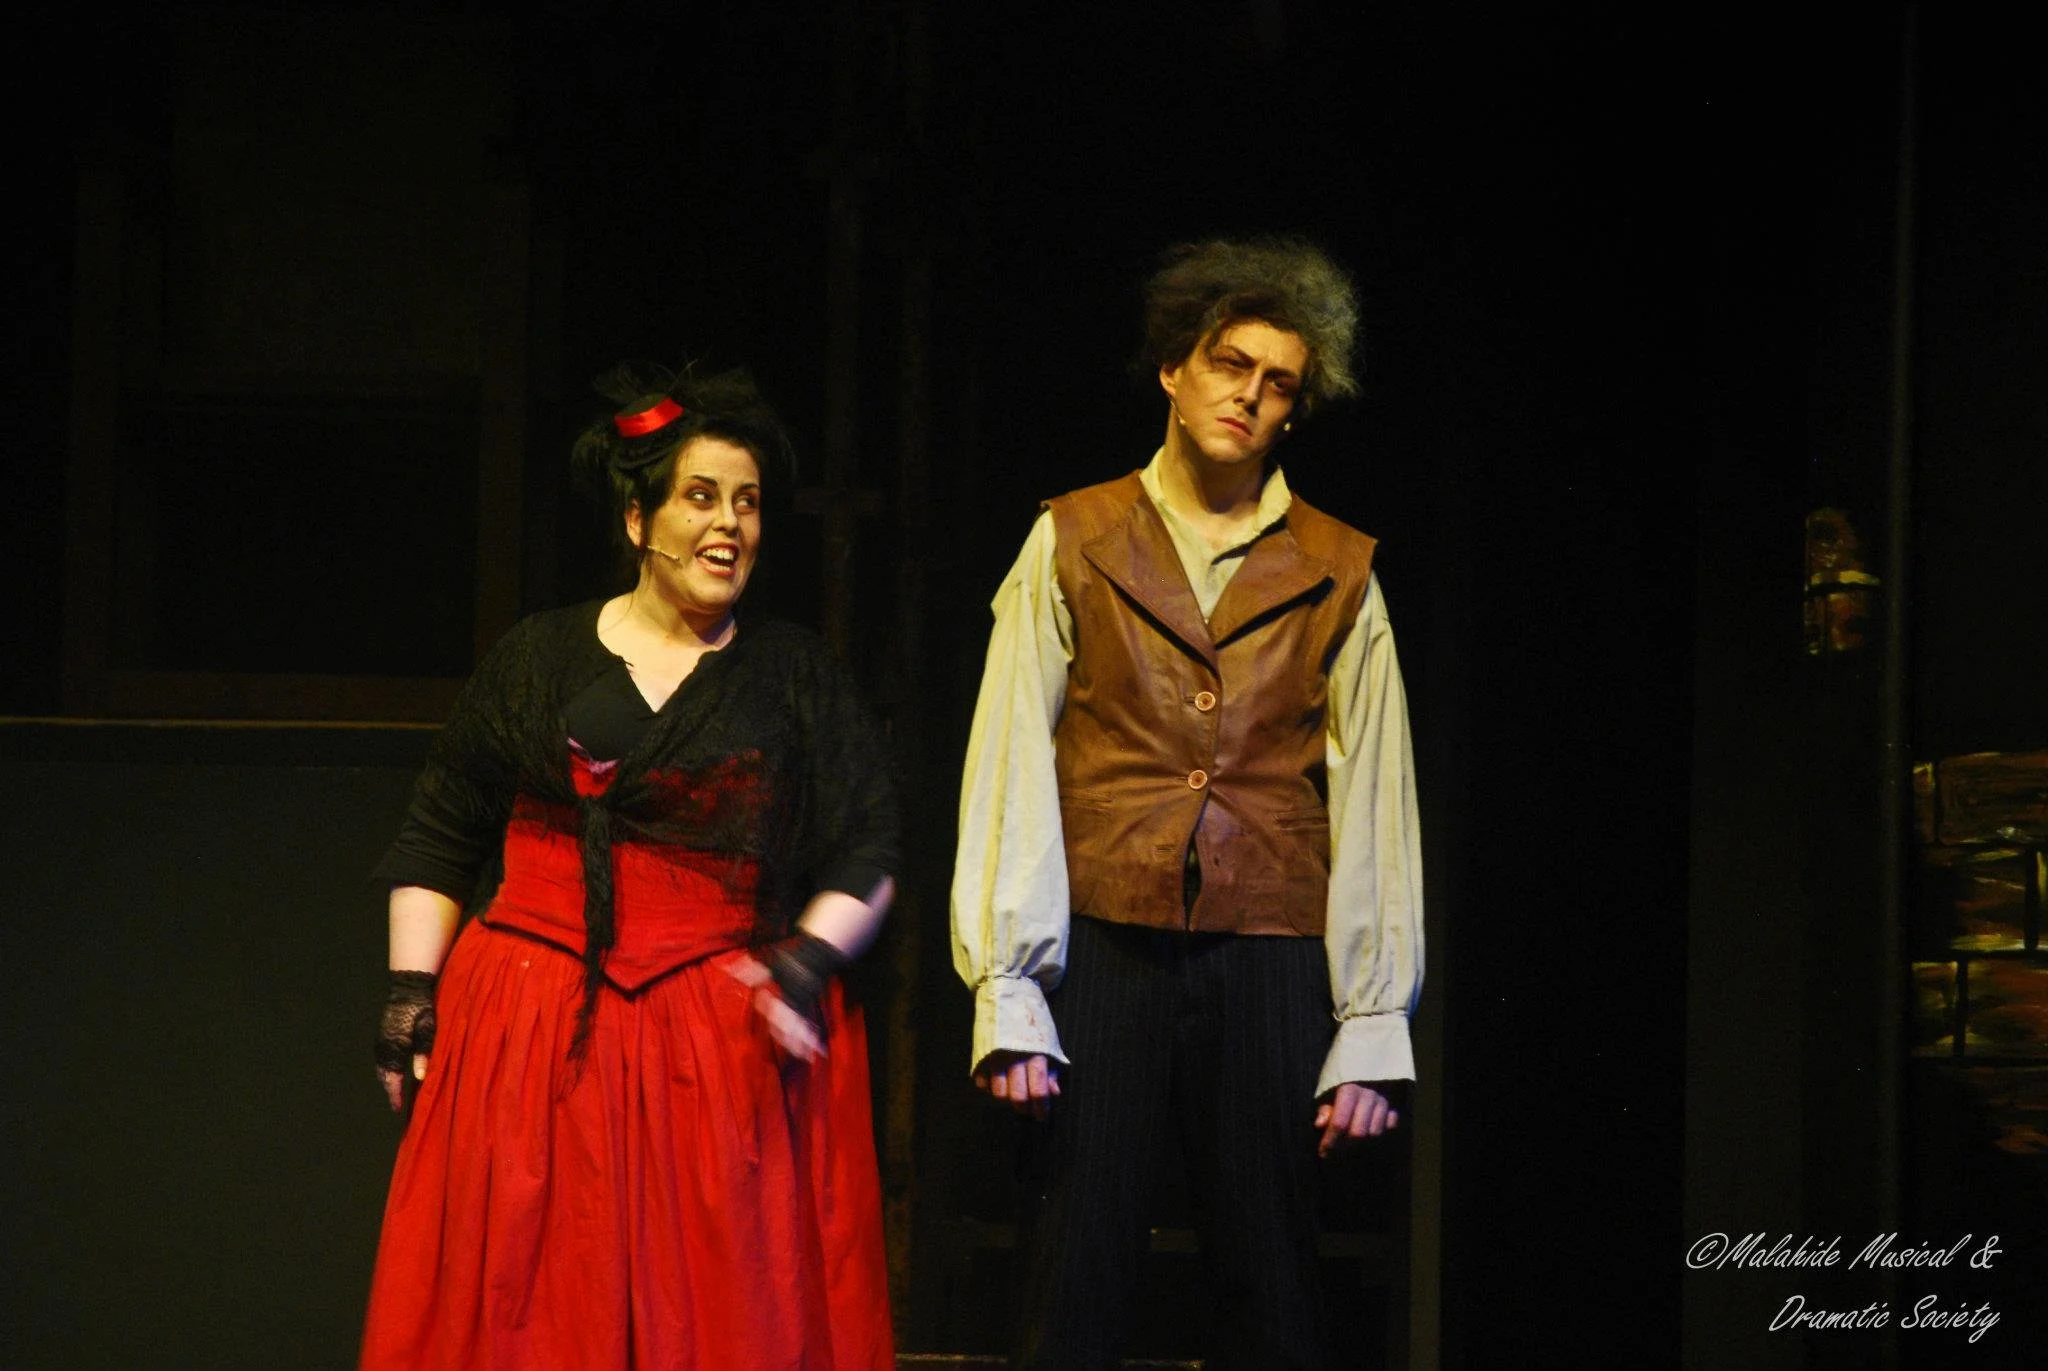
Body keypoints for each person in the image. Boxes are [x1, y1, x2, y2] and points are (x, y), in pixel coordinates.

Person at [361, 364, 898, 1371]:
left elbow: (868, 846)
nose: (729, 524)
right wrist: (408, 991)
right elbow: (441, 832)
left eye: (746, 502)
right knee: (525, 1307)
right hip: (529, 1030)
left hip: (712, 1043)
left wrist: (807, 962)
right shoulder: (538, 657)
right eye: (701, 496)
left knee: (709, 1315)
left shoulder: (791, 674)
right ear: (638, 518)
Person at [950, 237, 1424, 1371]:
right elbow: (1010, 756)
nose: (1249, 396)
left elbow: (1375, 795)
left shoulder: (1336, 567)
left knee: (1271, 1285)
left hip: (1268, 951)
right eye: (1230, 364)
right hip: (1104, 944)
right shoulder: (1074, 535)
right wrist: (1009, 990)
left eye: (1278, 384)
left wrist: (1371, 1021)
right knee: (1075, 1275)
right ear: (1174, 369)